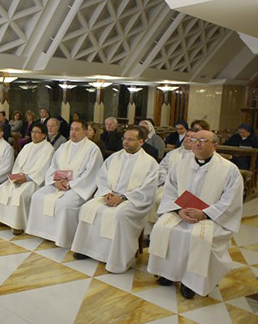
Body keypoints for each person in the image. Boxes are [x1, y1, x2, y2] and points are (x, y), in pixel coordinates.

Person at [147, 130, 243, 299]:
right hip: (182, 211)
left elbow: (230, 200)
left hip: (211, 217)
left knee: (198, 238)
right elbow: (170, 190)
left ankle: (190, 282)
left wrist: (204, 213)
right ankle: (168, 273)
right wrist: (178, 210)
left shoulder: (229, 170)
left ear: (215, 145)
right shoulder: (181, 164)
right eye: (194, 139)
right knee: (162, 228)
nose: (197, 143)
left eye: (203, 140)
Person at [71, 126, 159, 273]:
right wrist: (106, 193)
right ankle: (85, 249)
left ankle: (116, 259)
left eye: (131, 139)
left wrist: (123, 197)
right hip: (110, 195)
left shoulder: (150, 163)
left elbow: (147, 189)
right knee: (88, 208)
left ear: (141, 141)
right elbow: (102, 177)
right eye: (124, 138)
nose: (125, 142)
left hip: (133, 200)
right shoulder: (114, 157)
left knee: (119, 216)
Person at [26, 120, 103, 247]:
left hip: (77, 188)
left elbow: (91, 174)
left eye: (77, 129)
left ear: (85, 132)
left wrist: (69, 185)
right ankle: (43, 232)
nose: (73, 132)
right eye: (72, 129)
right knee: (37, 196)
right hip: (58, 184)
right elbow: (53, 166)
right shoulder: (63, 147)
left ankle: (62, 238)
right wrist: (55, 182)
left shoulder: (93, 150)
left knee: (64, 204)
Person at [0, 123, 54, 235]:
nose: (34, 135)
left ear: (44, 135)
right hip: (19, 177)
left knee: (20, 195)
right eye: (33, 132)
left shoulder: (48, 149)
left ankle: (17, 225)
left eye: (38, 132)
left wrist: (27, 178)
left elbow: (43, 168)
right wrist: (17, 175)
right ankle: (0, 218)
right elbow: (18, 163)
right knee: (2, 189)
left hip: (33, 181)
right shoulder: (27, 146)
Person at [147, 129, 196, 224]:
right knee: (152, 198)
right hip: (168, 185)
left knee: (164, 200)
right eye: (187, 136)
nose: (189, 139)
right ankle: (152, 228)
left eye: (192, 137)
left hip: (186, 189)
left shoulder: (198, 156)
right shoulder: (172, 154)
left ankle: (169, 224)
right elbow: (162, 168)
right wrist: (167, 179)